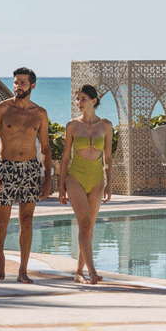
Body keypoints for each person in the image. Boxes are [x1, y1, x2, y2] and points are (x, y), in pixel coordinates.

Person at [0, 67, 52, 283]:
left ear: (32, 85)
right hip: (6, 168)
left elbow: (46, 148)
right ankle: (0, 258)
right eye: (15, 82)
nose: (18, 86)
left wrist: (48, 178)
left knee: (27, 219)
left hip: (31, 169)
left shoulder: (39, 113)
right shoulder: (2, 109)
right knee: (2, 220)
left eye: (22, 82)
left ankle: (23, 269)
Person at [58, 84, 112, 284]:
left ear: (94, 101)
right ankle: (92, 272)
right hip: (76, 178)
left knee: (88, 229)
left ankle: (79, 272)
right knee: (85, 224)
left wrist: (109, 183)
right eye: (77, 99)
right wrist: (61, 185)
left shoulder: (106, 125)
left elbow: (108, 157)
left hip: (97, 179)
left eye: (83, 99)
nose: (79, 103)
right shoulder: (72, 125)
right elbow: (65, 157)